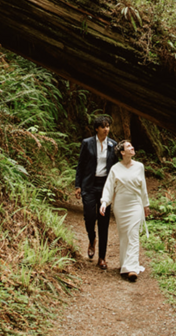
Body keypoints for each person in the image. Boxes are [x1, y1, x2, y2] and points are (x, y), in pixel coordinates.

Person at [99, 140, 150, 282]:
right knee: (124, 235)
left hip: (135, 204)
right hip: (120, 206)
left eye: (132, 146)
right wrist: (104, 202)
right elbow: (109, 187)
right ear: (122, 152)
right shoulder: (115, 169)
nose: (132, 148)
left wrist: (146, 205)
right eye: (129, 146)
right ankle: (124, 264)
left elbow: (143, 187)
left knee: (133, 234)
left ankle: (132, 268)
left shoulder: (139, 166)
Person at [74, 114, 116, 269]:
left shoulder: (113, 144)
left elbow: (117, 167)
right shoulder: (87, 143)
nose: (106, 129)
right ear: (97, 128)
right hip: (89, 186)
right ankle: (92, 239)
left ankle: (102, 258)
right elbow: (81, 165)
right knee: (89, 217)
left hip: (105, 186)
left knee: (104, 221)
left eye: (108, 126)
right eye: (103, 126)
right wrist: (78, 185)